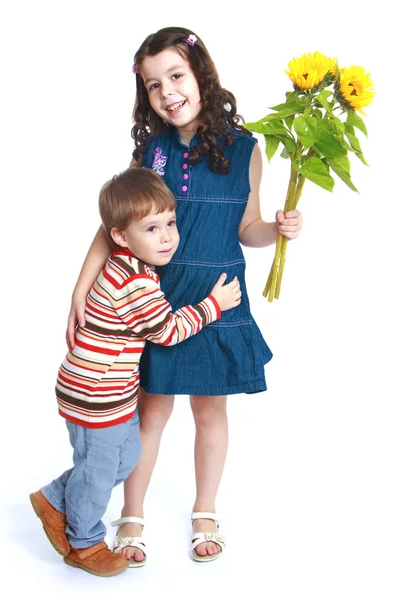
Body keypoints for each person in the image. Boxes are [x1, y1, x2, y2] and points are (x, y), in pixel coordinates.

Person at [66, 26, 303, 565]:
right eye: (153, 85)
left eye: (176, 76)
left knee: (210, 413)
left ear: (201, 76)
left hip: (216, 298)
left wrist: (279, 228)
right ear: (144, 95)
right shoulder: (151, 152)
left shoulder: (246, 150)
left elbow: (248, 228)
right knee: (149, 415)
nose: (168, 92)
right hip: (161, 304)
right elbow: (115, 228)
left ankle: (205, 508)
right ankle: (132, 512)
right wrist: (81, 288)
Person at [30, 167, 242, 576]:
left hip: (111, 390)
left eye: (170, 223)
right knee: (101, 467)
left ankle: (55, 497)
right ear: (121, 237)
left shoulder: (135, 266)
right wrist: (212, 305)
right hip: (96, 394)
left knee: (124, 457)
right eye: (151, 228)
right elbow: (166, 330)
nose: (167, 237)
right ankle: (85, 542)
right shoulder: (136, 282)